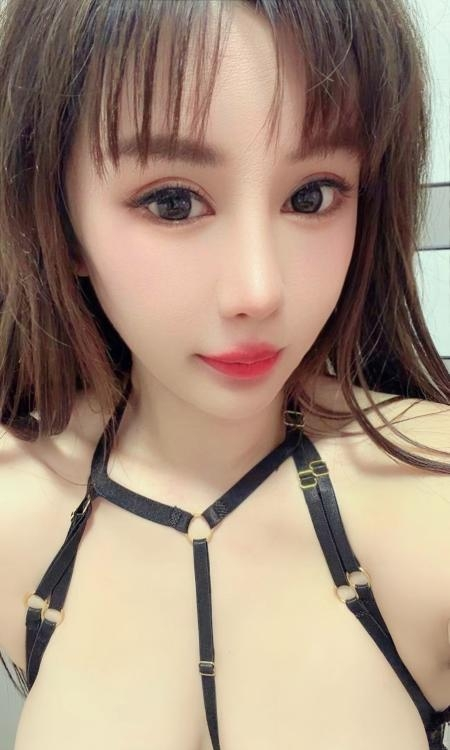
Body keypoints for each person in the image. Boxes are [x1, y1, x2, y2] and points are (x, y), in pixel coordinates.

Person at [0, 0, 449, 749]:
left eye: (312, 196)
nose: (258, 291)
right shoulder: (17, 507)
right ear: (59, 219)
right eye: (173, 202)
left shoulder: (432, 500)